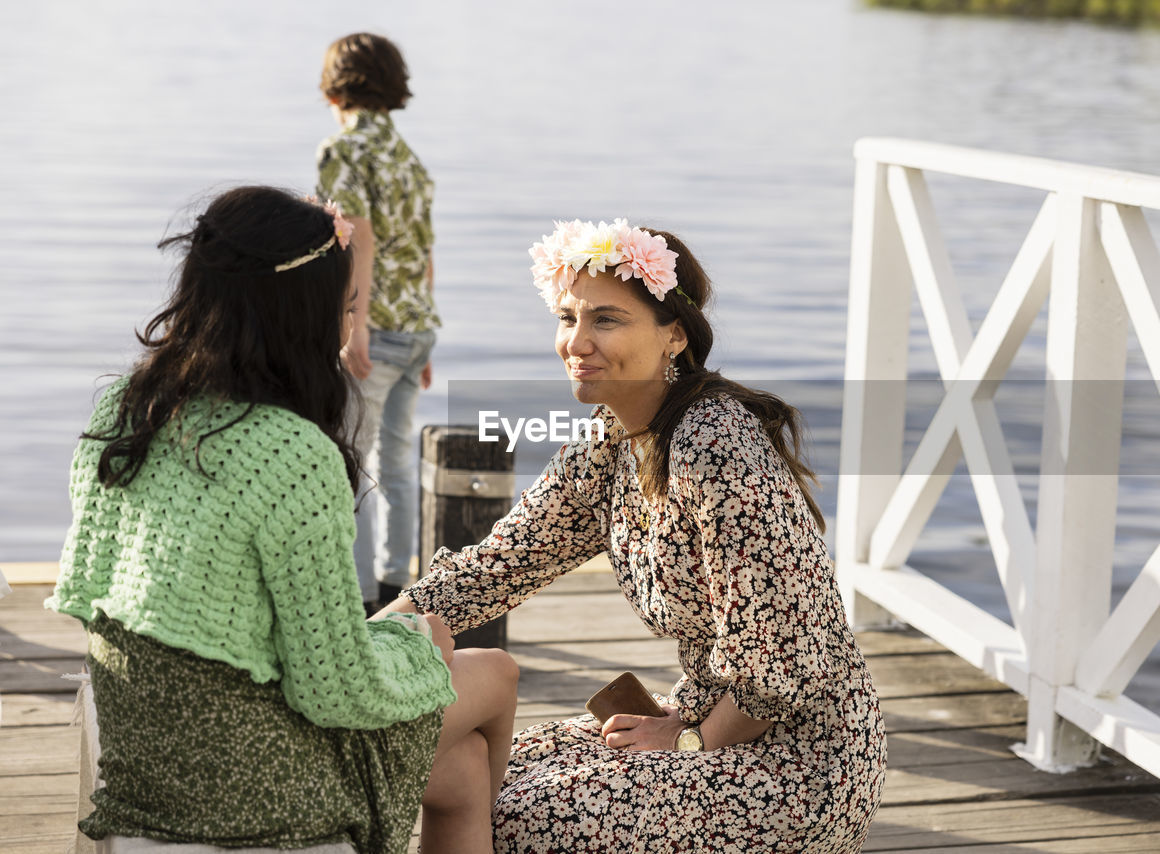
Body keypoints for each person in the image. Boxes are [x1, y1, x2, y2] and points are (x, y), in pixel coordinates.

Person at [378, 219, 887, 853]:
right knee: (474, 764)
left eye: (607, 321)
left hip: (796, 761)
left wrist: (687, 741)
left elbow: (780, 666)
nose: (577, 343)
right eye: (568, 318)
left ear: (674, 335)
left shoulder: (716, 446)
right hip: (699, 714)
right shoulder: (610, 437)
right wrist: (373, 639)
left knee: (519, 819)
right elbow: (500, 566)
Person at [46, 187, 518, 854]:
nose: (353, 329)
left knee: (462, 766)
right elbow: (333, 692)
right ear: (303, 315)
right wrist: (422, 658)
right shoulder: (290, 454)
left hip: (149, 750)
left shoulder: (124, 410)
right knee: (494, 670)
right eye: (350, 308)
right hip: (248, 783)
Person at [316, 32, 441, 615]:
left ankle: (360, 603)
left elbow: (356, 241)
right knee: (395, 464)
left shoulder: (343, 151)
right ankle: (398, 593)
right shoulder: (408, 157)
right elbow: (422, 250)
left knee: (349, 466)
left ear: (335, 87)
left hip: (376, 329)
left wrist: (354, 326)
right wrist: (424, 337)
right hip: (415, 326)